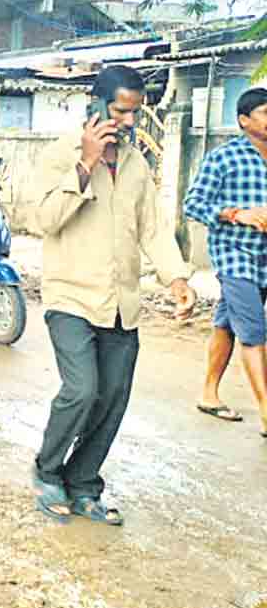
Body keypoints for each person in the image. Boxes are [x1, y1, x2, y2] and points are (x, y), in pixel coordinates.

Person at [30, 66, 195, 526]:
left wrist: (177, 278)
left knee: (112, 399)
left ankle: (83, 484)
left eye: (135, 112)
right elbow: (42, 220)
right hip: (72, 297)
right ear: (97, 104)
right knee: (82, 390)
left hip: (122, 303)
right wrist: (84, 164)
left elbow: (153, 229)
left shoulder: (136, 163)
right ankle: (47, 471)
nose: (128, 121)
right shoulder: (60, 155)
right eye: (121, 110)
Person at [184, 87, 267, 433]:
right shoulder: (224, 157)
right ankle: (266, 410)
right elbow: (193, 203)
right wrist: (237, 214)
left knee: (228, 322)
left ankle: (209, 393)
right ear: (244, 120)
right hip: (234, 255)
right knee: (254, 330)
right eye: (265, 112)